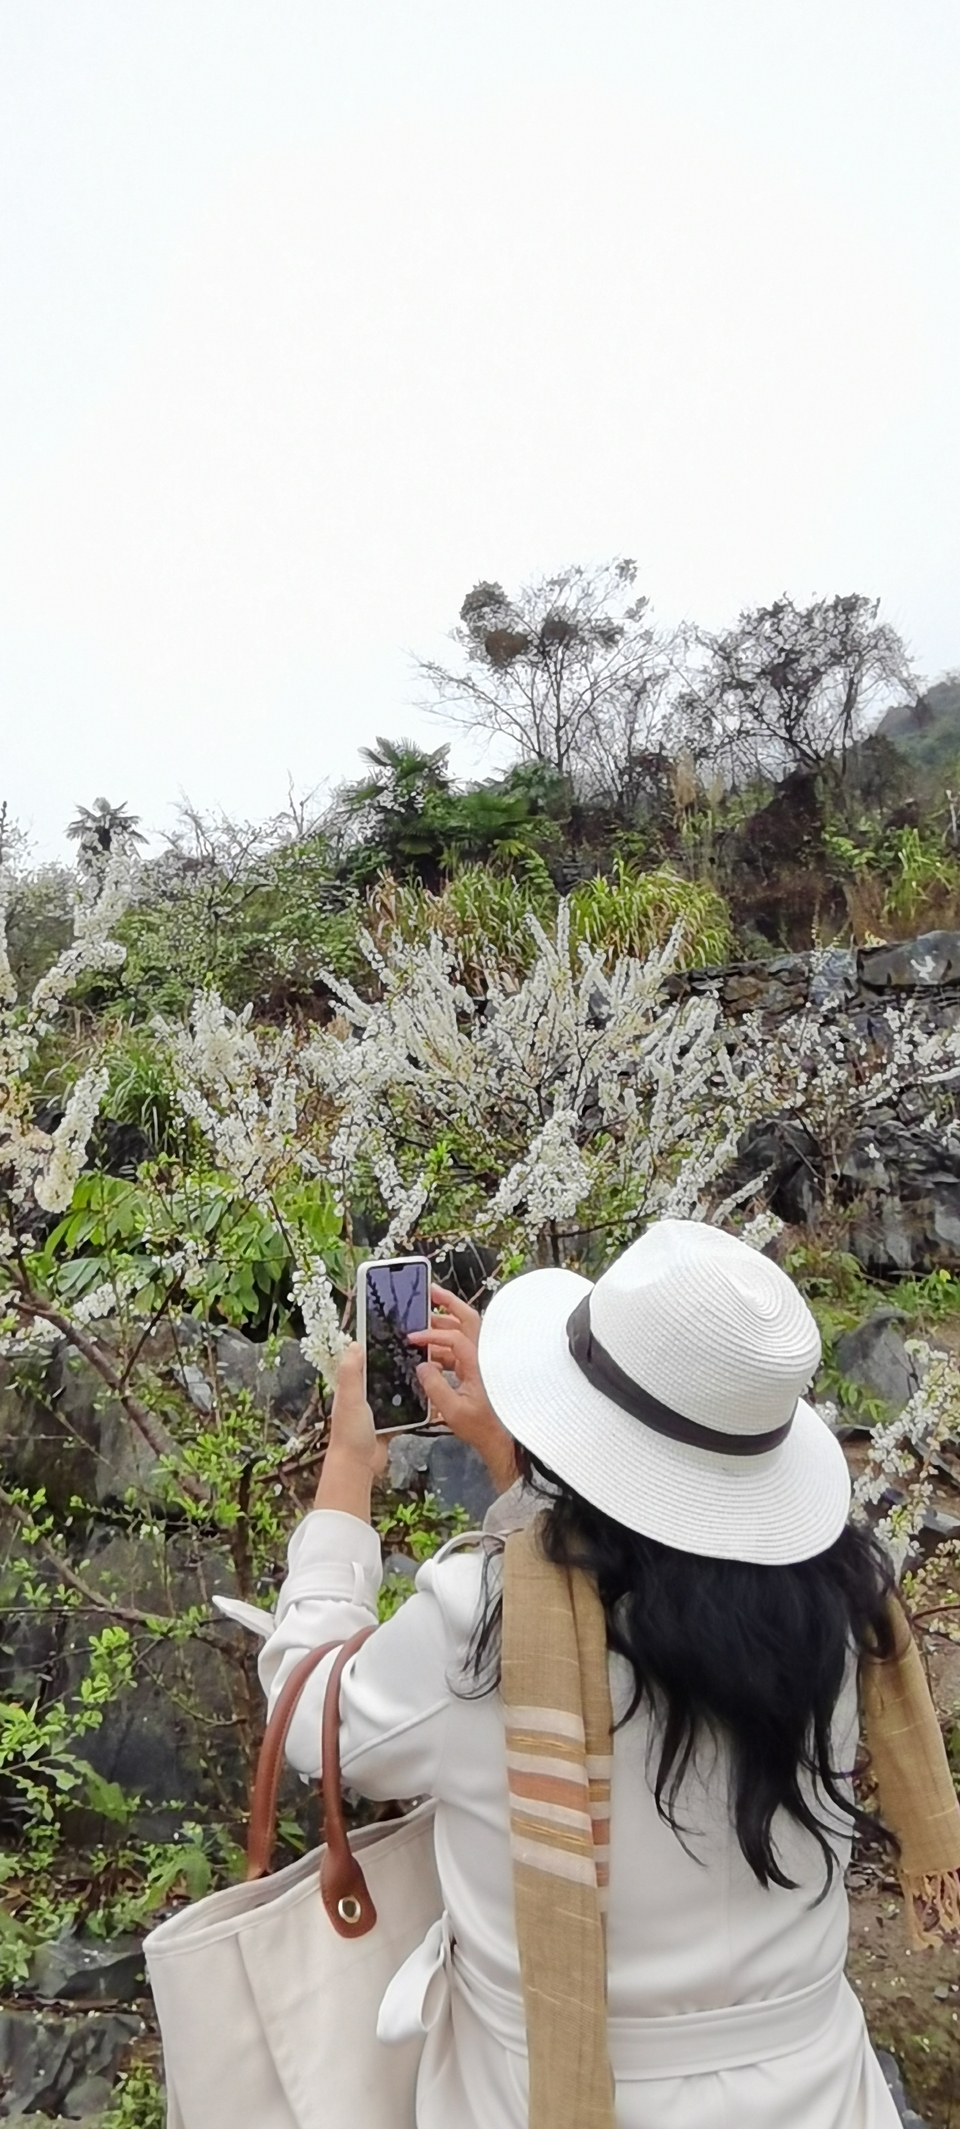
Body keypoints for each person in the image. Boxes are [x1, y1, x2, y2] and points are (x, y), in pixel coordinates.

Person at [257, 1219, 904, 2128]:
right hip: (820, 2093)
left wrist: (346, 1473)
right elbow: (665, 1545)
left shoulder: (487, 1612)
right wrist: (516, 1460)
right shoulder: (841, 1603)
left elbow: (314, 1714)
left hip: (551, 2095)